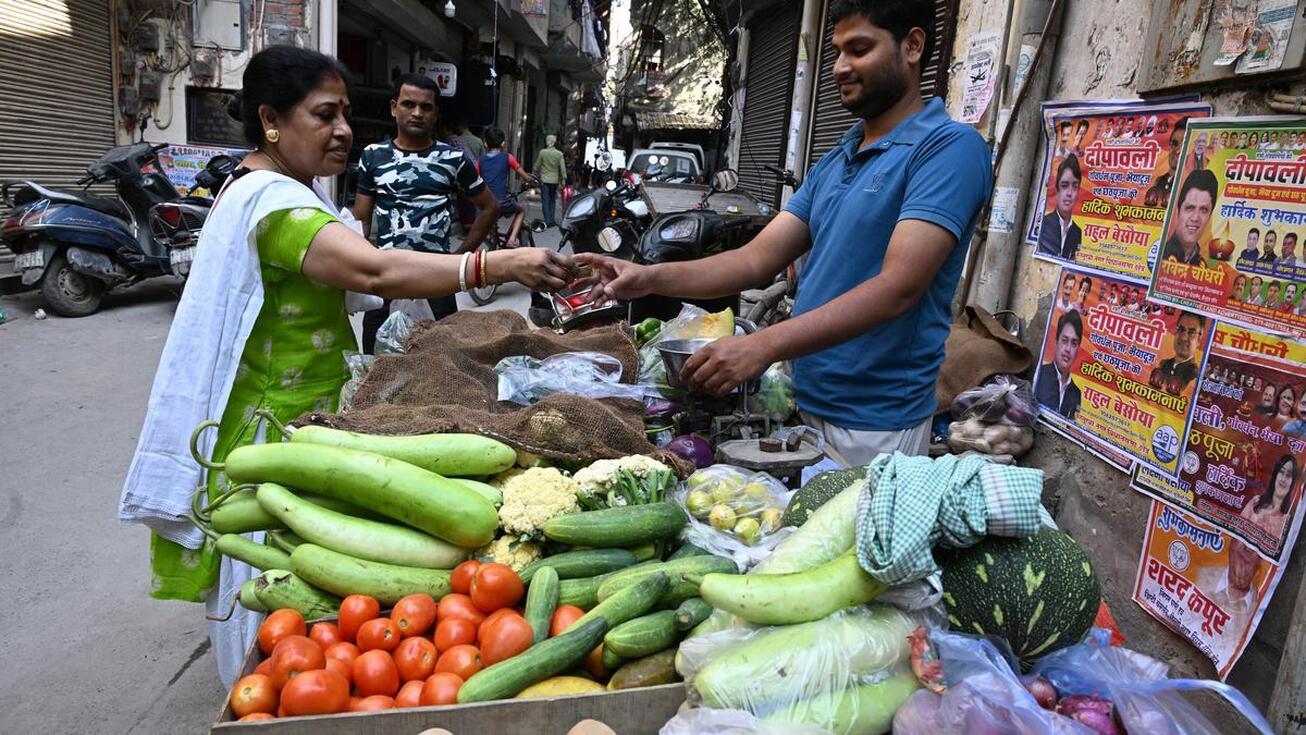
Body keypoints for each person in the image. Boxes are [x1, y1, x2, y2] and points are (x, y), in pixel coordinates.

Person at [117, 46, 572, 686]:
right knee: (275, 591)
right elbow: (372, 268)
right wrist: (493, 264)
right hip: (269, 430)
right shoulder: (273, 205)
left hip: (310, 418)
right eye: (324, 115)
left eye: (346, 114)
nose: (344, 130)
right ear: (271, 120)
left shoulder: (286, 192)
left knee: (310, 594)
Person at [575, 0, 992, 464]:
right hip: (804, 404)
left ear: (912, 46)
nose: (840, 68)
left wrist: (763, 345)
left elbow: (898, 288)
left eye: (859, 49)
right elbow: (754, 260)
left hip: (875, 423)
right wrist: (647, 276)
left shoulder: (949, 149)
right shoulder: (839, 156)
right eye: (836, 52)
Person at [353, 74, 502, 353]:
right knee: (376, 362)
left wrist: (461, 256)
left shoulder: (453, 159)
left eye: (426, 107)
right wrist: (365, 259)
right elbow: (361, 218)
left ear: (435, 114)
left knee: (443, 363)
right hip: (387, 276)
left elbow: (490, 206)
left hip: (438, 277)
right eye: (409, 104)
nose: (417, 113)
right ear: (394, 108)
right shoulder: (373, 155)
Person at [479, 127, 537, 247]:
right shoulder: (508, 157)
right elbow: (525, 177)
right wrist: (532, 182)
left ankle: (490, 236)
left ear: (485, 143)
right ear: (503, 143)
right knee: (521, 210)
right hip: (502, 202)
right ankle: (511, 239)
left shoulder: (481, 160)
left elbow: (475, 178)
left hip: (486, 203)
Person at [1160, 168, 1218, 266]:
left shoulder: (1202, 265)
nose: (1195, 218)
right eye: (1190, 208)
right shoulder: (1161, 254)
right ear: (1179, 210)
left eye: (1203, 210)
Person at [1035, 310, 1083, 419]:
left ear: (1078, 349)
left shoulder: (1076, 393)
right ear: (1056, 341)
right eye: (1064, 340)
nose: (1068, 349)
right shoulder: (1041, 374)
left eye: (1074, 343)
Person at [1037, 154, 1083, 259]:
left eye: (1075, 186)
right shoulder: (1045, 223)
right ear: (1057, 189)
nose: (1069, 193)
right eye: (1065, 185)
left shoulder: (1077, 231)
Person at [1241, 454, 1297, 540]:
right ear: (1275, 475)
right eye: (1281, 472)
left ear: (1292, 482)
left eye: (1288, 475)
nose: (1283, 479)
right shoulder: (1257, 501)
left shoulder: (1288, 519)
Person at [1148, 311, 1204, 395]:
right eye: (1181, 330)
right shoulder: (1164, 363)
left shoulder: (1194, 373)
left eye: (1191, 332)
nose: (1184, 337)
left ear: (1199, 340)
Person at [1144, 119, 1187, 207]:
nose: (1177, 151)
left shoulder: (1188, 183)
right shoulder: (1159, 180)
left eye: (1183, 146)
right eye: (1174, 144)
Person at [533, 134, 567, 228]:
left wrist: (534, 171)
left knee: (545, 200)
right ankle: (552, 220)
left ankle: (547, 220)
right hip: (554, 181)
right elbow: (562, 169)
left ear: (547, 141)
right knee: (552, 200)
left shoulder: (543, 152)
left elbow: (537, 165)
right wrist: (563, 180)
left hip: (544, 180)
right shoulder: (559, 154)